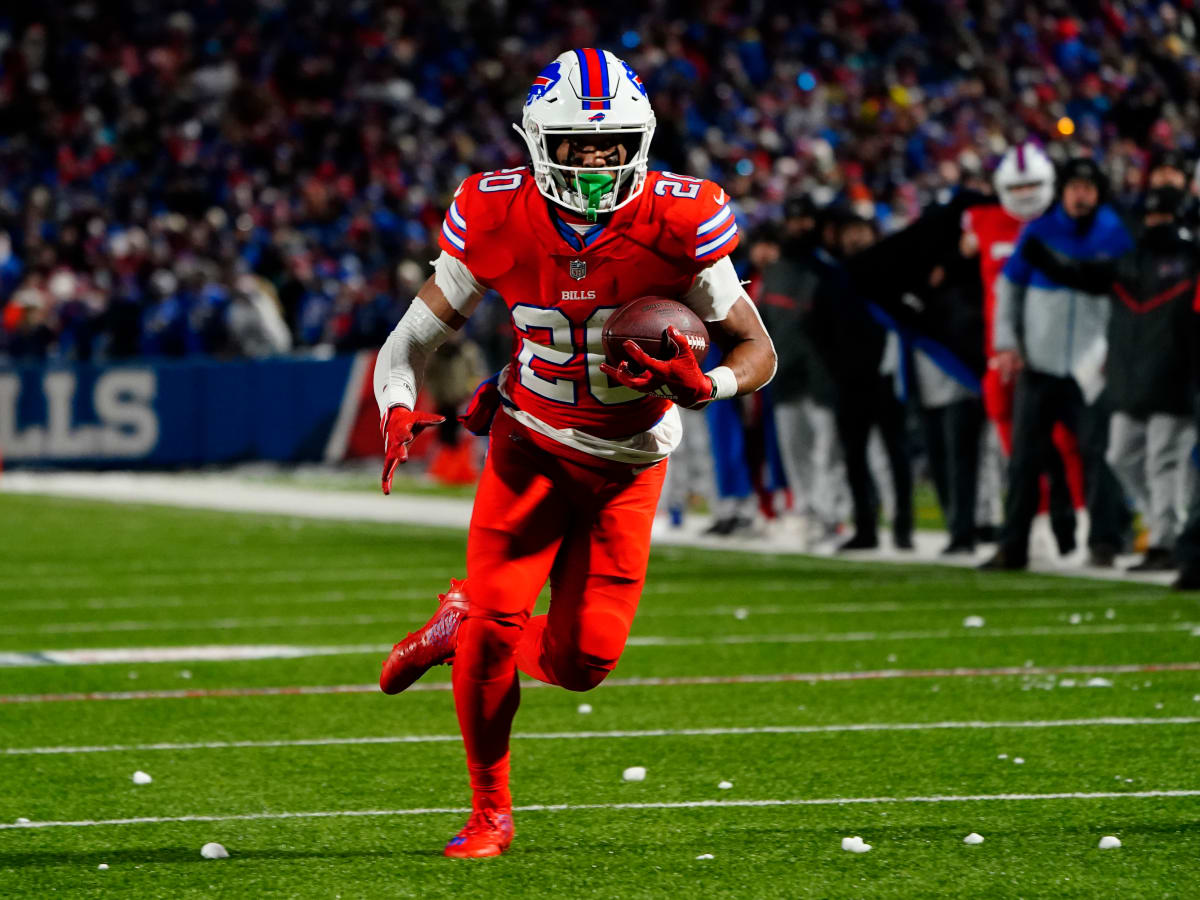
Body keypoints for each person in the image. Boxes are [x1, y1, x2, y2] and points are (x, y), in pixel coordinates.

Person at [371, 49, 777, 858]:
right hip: (532, 443)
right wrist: (397, 404)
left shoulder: (682, 218)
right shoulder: (495, 213)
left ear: (643, 137)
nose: (598, 160)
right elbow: (407, 343)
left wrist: (711, 388)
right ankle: (490, 810)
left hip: (631, 460)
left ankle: (462, 621)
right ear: (536, 142)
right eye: (580, 145)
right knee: (497, 630)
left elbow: (758, 348)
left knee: (585, 659)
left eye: (614, 142)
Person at [1021, 184, 1198, 570]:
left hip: (1174, 379)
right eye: (1151, 216)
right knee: (1120, 456)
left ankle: (1165, 542)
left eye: (1164, 216)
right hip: (1130, 380)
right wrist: (1044, 258)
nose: (1156, 223)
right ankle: (1162, 525)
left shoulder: (1191, 261)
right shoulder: (1129, 262)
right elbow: (1081, 275)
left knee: (1162, 462)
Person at [982, 157, 1135, 570]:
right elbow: (1008, 290)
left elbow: (1126, 302)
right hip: (1041, 362)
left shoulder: (1117, 233)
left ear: (1099, 192)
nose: (1081, 195)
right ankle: (1013, 545)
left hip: (1092, 367)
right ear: (1061, 191)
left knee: (1099, 455)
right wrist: (1007, 344)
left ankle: (1105, 540)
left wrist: (1112, 354)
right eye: (1074, 187)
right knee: (1025, 458)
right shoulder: (1039, 231)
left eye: (1088, 188)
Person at [964, 143, 1083, 555]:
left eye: (1034, 183)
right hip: (1003, 353)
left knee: (1070, 441)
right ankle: (1033, 522)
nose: (1027, 192)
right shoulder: (981, 220)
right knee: (1015, 444)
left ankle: (1082, 522)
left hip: (1058, 348)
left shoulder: (1068, 222)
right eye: (1020, 184)